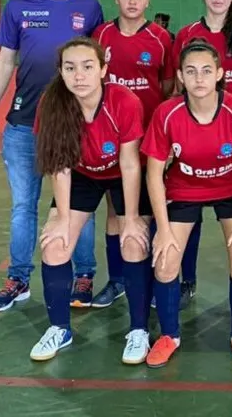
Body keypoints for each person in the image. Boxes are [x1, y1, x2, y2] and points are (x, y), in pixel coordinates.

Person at [0, 0, 104, 312]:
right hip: (22, 126)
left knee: (79, 203)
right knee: (24, 206)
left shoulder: (90, 8)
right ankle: (18, 279)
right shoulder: (18, 6)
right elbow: (6, 60)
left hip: (73, 126)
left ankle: (84, 275)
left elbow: (98, 67)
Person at [141, 39, 232, 369]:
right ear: (180, 76)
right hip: (183, 189)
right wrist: (163, 229)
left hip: (231, 188)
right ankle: (169, 335)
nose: (199, 78)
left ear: (220, 74)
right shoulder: (167, 114)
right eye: (191, 71)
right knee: (165, 260)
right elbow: (153, 173)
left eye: (207, 71)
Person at [28, 37, 149, 362]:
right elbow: (61, 166)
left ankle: (139, 330)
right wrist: (64, 221)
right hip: (81, 174)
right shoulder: (51, 104)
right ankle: (59, 329)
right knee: (55, 244)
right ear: (61, 72)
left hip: (121, 173)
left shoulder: (124, 101)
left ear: (103, 70)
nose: (78, 75)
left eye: (87, 67)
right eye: (70, 68)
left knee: (134, 242)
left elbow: (129, 163)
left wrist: (133, 216)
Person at [172, 0, 232, 309]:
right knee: (187, 214)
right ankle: (186, 280)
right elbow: (175, 88)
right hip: (193, 135)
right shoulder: (187, 33)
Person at [89, 0, 173, 309]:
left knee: (150, 212)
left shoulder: (160, 38)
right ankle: (118, 280)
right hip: (111, 140)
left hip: (148, 141)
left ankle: (152, 279)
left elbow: (167, 89)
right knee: (116, 212)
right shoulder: (102, 35)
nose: (133, 1)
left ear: (148, 0)